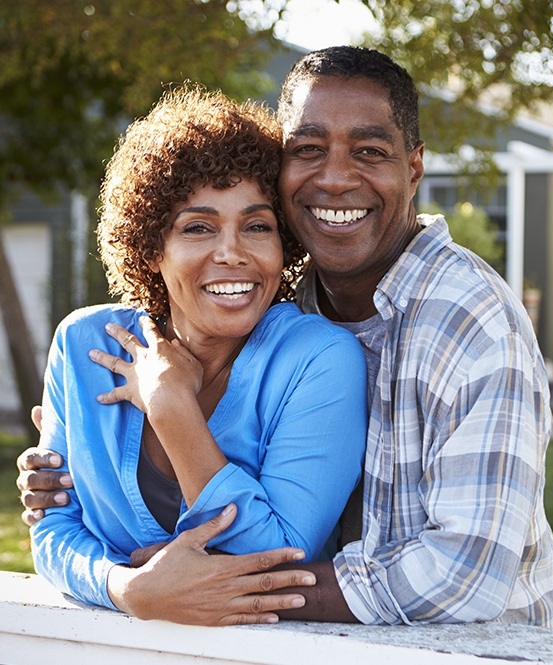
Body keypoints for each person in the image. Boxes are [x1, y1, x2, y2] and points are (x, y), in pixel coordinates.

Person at [18, 46, 553, 628]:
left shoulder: (471, 323)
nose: (333, 178)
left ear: (413, 169)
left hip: (487, 647)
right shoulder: (294, 298)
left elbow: (467, 575)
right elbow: (58, 522)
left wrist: (208, 586)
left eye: (369, 151)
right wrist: (127, 585)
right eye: (307, 150)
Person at [23, 82, 369, 623]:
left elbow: (278, 558)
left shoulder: (318, 359)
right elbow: (52, 528)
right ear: (150, 246)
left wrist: (170, 405)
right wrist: (127, 587)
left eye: (257, 226)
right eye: (198, 227)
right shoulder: (84, 345)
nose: (232, 253)